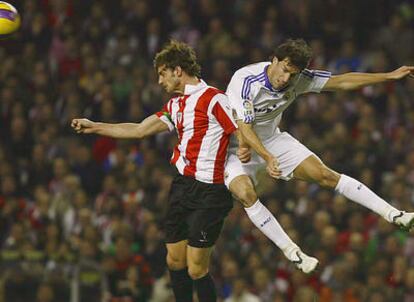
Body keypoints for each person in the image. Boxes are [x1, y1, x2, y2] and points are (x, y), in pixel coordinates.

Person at [225, 38, 414, 273]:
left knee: (325, 175)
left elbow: (342, 82)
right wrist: (266, 156)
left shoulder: (299, 80)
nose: (286, 79)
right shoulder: (245, 80)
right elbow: (244, 127)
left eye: (292, 75)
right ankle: (293, 252)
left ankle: (395, 214)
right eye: (284, 70)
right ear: (274, 60)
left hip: (271, 140)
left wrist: (387, 76)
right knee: (245, 193)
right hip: (231, 149)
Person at [71, 40, 238, 302]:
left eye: (162, 73)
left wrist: (254, 156)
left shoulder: (214, 99)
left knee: (196, 268)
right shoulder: (175, 106)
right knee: (174, 260)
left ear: (178, 70)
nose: (160, 81)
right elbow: (139, 129)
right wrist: (95, 126)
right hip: (183, 186)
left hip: (211, 192)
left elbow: (239, 132)